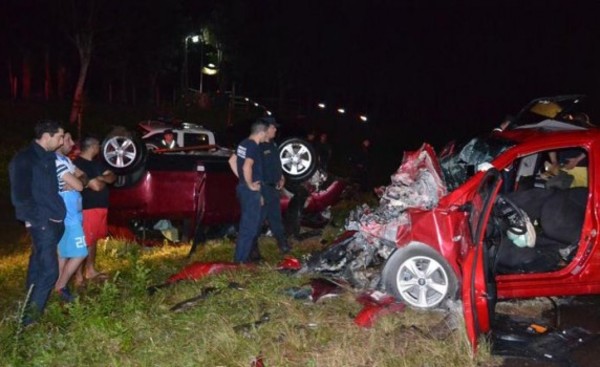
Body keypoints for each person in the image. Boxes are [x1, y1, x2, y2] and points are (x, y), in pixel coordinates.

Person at [9, 120, 66, 325]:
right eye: (59, 137)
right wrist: (37, 220)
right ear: (47, 136)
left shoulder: (49, 157)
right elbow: (20, 196)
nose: (61, 142)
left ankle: (28, 304)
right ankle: (29, 323)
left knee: (37, 266)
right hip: (42, 223)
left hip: (55, 219)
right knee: (50, 271)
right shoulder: (24, 159)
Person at [73, 136, 117, 284]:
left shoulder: (97, 164)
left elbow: (112, 177)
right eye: (98, 145)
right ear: (92, 147)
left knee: (93, 241)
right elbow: (96, 187)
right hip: (88, 208)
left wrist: (100, 178)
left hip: (100, 208)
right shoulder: (78, 164)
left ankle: (90, 270)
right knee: (84, 241)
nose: (99, 148)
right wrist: (102, 179)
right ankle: (78, 276)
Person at [227, 119, 268, 263]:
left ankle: (242, 260)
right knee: (249, 228)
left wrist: (244, 180)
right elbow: (247, 166)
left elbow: (232, 161)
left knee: (248, 226)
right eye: (266, 133)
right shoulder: (253, 146)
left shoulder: (243, 143)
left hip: (244, 189)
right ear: (261, 132)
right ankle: (240, 262)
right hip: (250, 191)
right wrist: (249, 184)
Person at [54, 132, 88, 302]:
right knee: (81, 252)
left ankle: (60, 288)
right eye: (67, 139)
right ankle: (61, 285)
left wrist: (77, 178)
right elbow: (80, 185)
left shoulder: (66, 161)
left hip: (72, 215)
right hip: (69, 217)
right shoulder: (57, 162)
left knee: (63, 254)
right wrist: (77, 179)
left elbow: (83, 177)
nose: (72, 142)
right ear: (59, 143)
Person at [256, 119, 290, 257]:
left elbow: (276, 164)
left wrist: (281, 177)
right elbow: (254, 170)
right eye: (273, 127)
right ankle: (252, 250)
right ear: (266, 128)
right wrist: (258, 193)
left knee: (276, 218)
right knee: (257, 221)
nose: (275, 130)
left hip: (273, 189)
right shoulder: (258, 146)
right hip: (263, 188)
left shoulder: (273, 145)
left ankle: (283, 245)